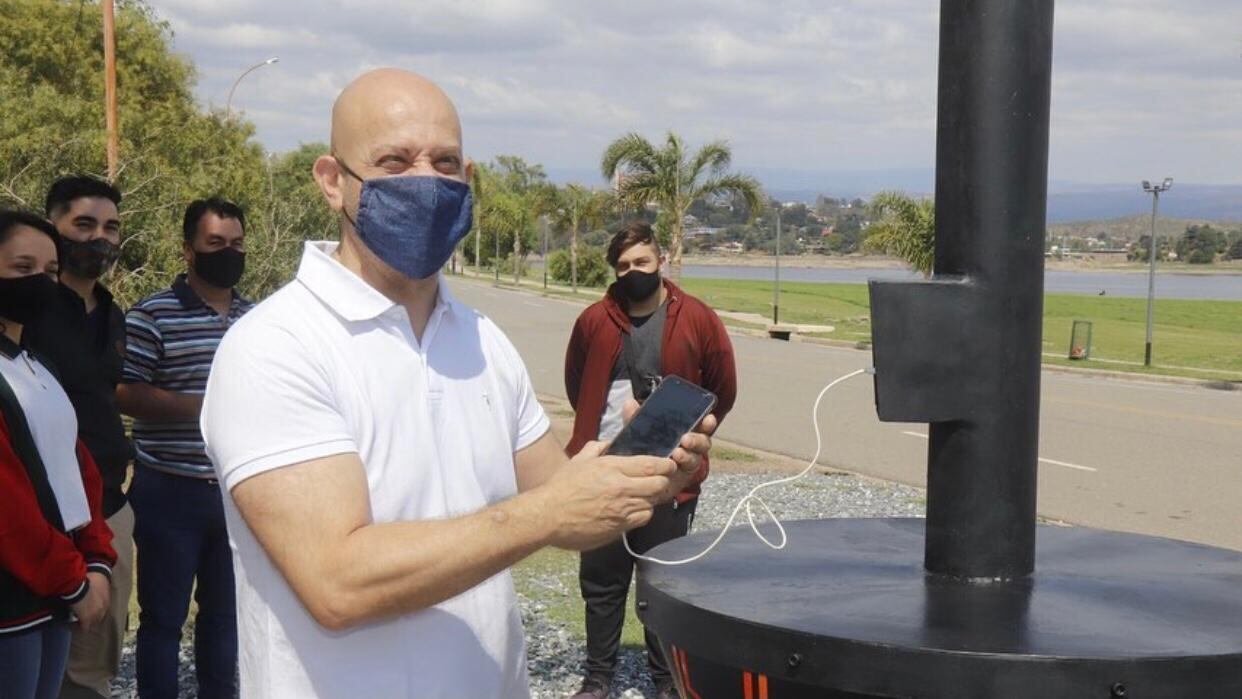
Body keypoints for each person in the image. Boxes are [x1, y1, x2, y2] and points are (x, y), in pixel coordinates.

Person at [198, 68, 714, 699]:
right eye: (393, 161)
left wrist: (641, 474)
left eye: (445, 163)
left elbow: (569, 511)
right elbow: (337, 582)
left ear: (468, 180)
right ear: (333, 182)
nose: (425, 181)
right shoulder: (275, 346)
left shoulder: (482, 340)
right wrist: (544, 513)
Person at [563, 222, 737, 699]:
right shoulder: (594, 321)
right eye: (623, 266)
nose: (633, 272)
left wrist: (694, 429)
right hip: (603, 471)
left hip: (669, 475)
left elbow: (722, 386)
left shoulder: (697, 318)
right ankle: (598, 677)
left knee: (661, 581)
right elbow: (577, 384)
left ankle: (666, 680)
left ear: (660, 261)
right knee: (601, 581)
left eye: (641, 262)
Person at [117, 198, 252, 699]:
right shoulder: (152, 314)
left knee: (224, 617)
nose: (227, 252)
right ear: (188, 249)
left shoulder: (257, 319)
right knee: (163, 620)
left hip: (237, 494)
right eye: (215, 243)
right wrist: (209, 406)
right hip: (168, 491)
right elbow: (125, 392)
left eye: (236, 243)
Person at [21, 176, 134, 699]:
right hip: (37, 520)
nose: (99, 239)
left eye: (110, 227)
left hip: (107, 511)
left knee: (95, 664)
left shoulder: (113, 315)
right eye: (83, 225)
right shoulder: (29, 312)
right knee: (31, 665)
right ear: (54, 226)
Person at [0, 210, 116, 699]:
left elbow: (77, 469)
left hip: (54, 592)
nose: (40, 283)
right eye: (22, 269)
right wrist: (74, 580)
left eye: (49, 272)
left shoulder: (35, 365)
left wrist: (96, 559)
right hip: (13, 597)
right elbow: (8, 505)